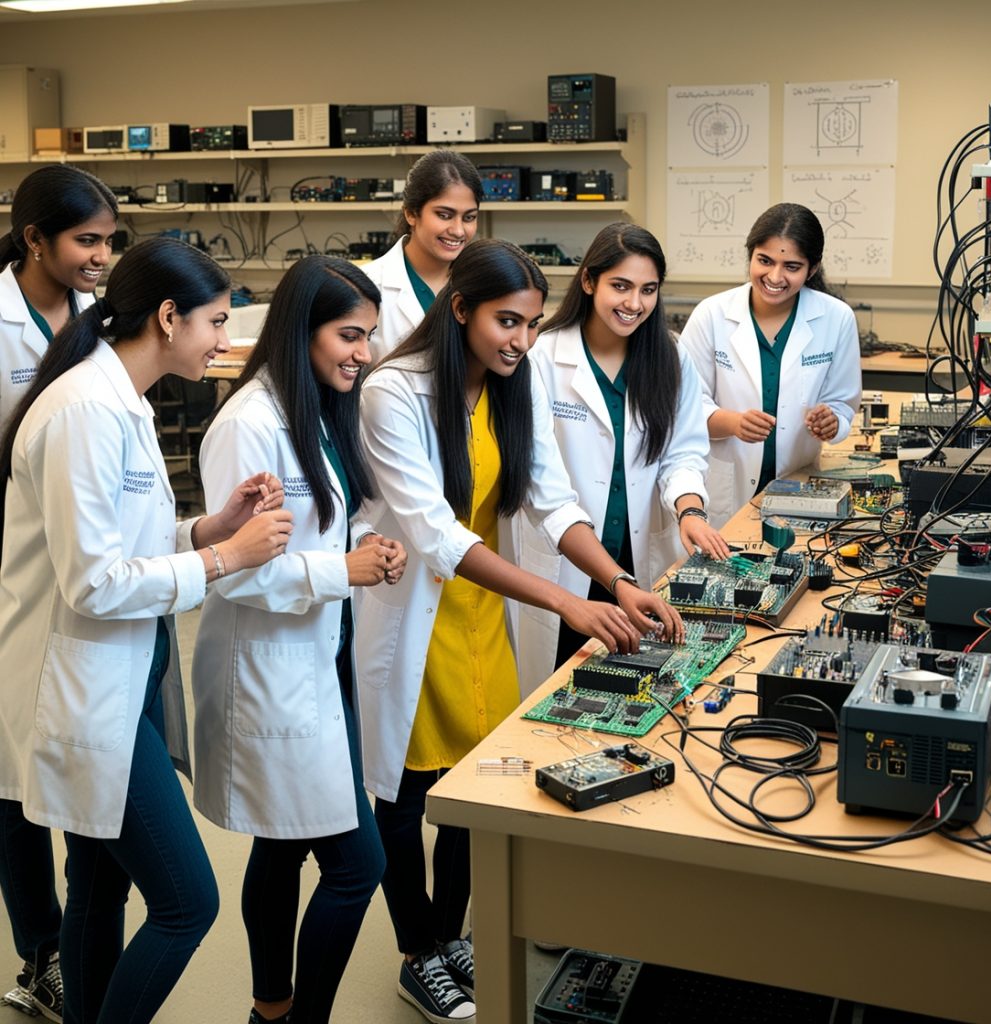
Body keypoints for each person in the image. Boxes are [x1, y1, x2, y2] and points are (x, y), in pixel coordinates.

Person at [357, 237, 682, 1024]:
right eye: (508, 322)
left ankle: (449, 932)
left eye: (533, 325)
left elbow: (552, 496)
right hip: (410, 614)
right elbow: (434, 534)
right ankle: (417, 954)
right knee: (404, 797)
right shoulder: (393, 391)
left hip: (480, 613)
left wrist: (616, 582)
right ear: (460, 309)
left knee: (480, 786)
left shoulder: (513, 380)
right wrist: (565, 605)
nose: (522, 340)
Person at [0, 236, 294, 1024]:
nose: (224, 342)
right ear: (168, 317)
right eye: (214, 322)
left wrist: (205, 529)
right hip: (84, 687)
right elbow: (94, 583)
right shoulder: (85, 412)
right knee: (187, 902)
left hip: (124, 677)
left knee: (100, 882)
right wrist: (228, 559)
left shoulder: (121, 399)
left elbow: (125, 543)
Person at [190, 256, 407, 1024]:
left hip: (317, 658)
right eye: (349, 335)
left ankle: (270, 1011)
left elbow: (330, 518)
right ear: (302, 329)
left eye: (369, 337)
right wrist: (339, 569)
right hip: (267, 669)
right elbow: (233, 571)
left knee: (281, 847)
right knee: (358, 865)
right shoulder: (249, 421)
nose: (363, 353)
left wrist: (368, 549)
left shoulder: (314, 405)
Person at [0, 163, 119, 1021]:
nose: (102, 256)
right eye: (86, 240)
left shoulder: (94, 320)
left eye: (110, 241)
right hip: (9, 559)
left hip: (70, 559)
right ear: (33, 239)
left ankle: (78, 935)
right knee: (10, 772)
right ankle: (40, 952)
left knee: (67, 755)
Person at [517, 223, 730, 690]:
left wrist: (689, 510)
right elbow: (540, 480)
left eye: (648, 290)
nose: (634, 303)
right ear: (589, 281)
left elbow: (683, 451)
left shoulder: (669, 357)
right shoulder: (543, 358)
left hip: (639, 559)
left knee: (632, 688)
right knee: (557, 688)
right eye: (621, 286)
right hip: (563, 560)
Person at [680, 203, 862, 528]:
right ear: (750, 255)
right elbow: (683, 408)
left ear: (813, 268)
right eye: (765, 261)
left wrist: (832, 421)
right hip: (724, 484)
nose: (775, 277)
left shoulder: (836, 318)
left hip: (800, 481)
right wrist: (732, 422)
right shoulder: (711, 315)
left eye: (791, 266)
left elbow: (843, 403)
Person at [364, 149, 482, 361]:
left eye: (469, 217)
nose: (458, 230)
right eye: (444, 215)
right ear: (411, 213)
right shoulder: (366, 285)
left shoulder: (482, 283)